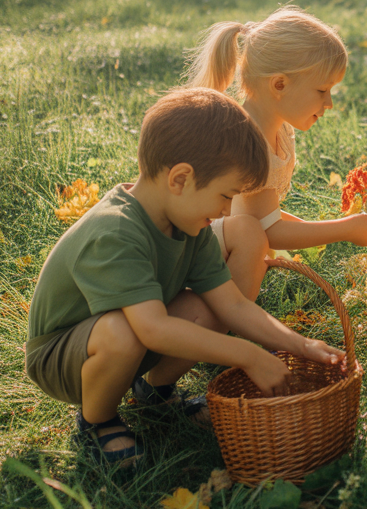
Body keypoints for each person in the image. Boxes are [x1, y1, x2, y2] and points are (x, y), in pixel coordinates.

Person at [25, 88, 346, 469]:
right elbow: (153, 330)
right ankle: (97, 420)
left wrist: (302, 345)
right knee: (121, 332)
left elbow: (233, 305)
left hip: (128, 333)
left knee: (208, 308)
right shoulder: (115, 232)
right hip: (64, 356)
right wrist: (248, 355)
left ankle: (153, 392)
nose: (227, 209)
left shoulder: (189, 225)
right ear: (180, 179)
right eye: (225, 195)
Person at [186, 8, 367, 280]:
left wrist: (320, 230)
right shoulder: (248, 142)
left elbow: (264, 217)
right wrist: (346, 229)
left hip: (231, 245)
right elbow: (267, 232)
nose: (329, 103)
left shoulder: (278, 129)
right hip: (201, 257)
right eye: (322, 90)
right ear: (279, 85)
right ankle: (231, 316)